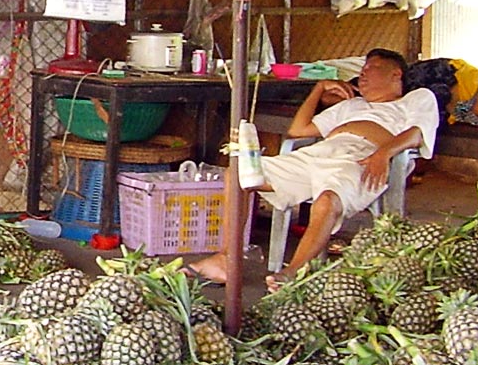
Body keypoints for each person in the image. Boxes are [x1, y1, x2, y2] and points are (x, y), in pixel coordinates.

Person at [188, 48, 439, 291]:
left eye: (372, 68)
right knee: (239, 172)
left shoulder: (417, 98)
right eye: (362, 69)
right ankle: (226, 258)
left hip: (360, 158)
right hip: (317, 155)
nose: (363, 74)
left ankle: (292, 271)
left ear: (396, 74)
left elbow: (417, 133)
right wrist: (318, 89)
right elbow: (298, 130)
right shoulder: (350, 106)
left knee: (327, 202)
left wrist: (384, 153)